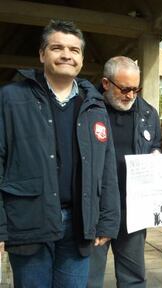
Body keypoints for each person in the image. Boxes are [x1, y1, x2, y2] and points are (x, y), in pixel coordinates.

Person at [0, 20, 120, 287]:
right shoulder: (11, 98)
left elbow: (107, 167)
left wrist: (108, 220)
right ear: (42, 54)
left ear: (81, 59)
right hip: (28, 220)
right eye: (57, 48)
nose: (66, 54)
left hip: (79, 223)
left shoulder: (95, 106)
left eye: (74, 50)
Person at [88, 56, 162, 288]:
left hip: (133, 209)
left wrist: (156, 155)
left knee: (134, 278)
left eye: (136, 89)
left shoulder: (148, 113)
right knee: (89, 278)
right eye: (125, 88)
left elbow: (156, 144)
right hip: (96, 209)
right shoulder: (88, 109)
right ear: (106, 83)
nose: (131, 95)